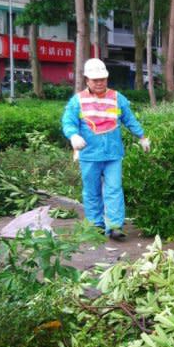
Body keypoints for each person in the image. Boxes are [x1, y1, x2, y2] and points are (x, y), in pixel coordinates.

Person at [61, 58, 150, 241]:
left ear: (107, 78)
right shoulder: (77, 101)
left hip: (112, 153)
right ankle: (96, 225)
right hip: (89, 154)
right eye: (95, 80)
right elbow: (68, 121)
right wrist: (73, 135)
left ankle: (115, 226)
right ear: (87, 80)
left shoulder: (117, 98)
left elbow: (129, 119)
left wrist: (141, 136)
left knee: (114, 189)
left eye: (102, 79)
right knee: (91, 190)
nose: (99, 83)